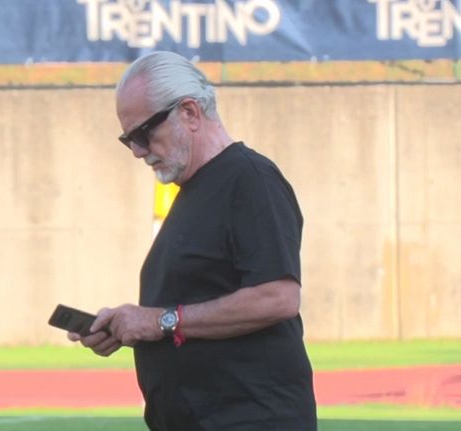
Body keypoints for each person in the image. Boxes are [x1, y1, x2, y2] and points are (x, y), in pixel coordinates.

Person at [67, 51, 317, 430]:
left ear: (189, 113)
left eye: (143, 134)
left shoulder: (250, 178)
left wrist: (160, 321)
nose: (137, 151)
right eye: (127, 140)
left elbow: (277, 297)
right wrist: (127, 327)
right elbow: (190, 313)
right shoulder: (195, 189)